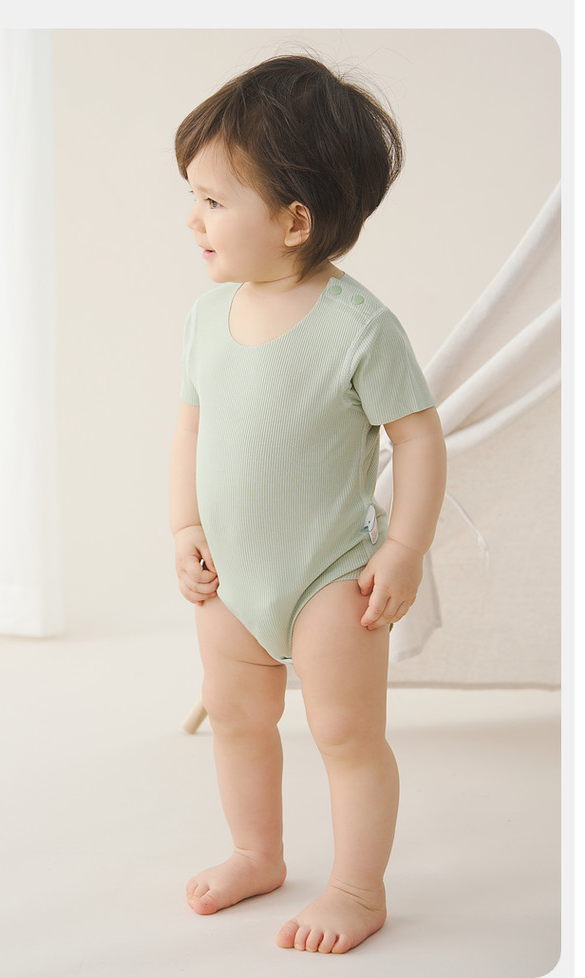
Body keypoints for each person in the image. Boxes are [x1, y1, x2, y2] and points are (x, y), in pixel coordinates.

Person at [168, 54, 447, 955]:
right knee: (238, 718)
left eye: (215, 200)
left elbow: (419, 439)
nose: (193, 218)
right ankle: (258, 852)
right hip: (232, 575)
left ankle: (358, 888)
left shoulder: (358, 327)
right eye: (193, 196)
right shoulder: (207, 319)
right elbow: (191, 429)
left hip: (331, 575)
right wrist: (185, 527)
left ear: (295, 220)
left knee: (345, 733)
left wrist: (403, 550)